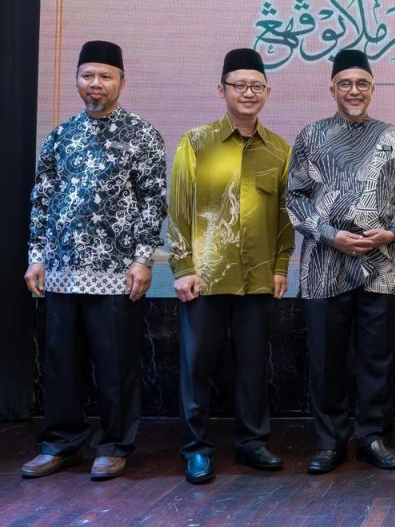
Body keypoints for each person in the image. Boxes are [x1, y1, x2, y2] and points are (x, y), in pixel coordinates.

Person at [22, 40, 167, 480]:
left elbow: (153, 201)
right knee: (61, 363)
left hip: (116, 271)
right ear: (77, 80)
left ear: (122, 81)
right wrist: (36, 257)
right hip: (61, 268)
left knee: (115, 364)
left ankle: (114, 445)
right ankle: (60, 443)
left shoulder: (142, 134)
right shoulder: (61, 135)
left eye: (105, 76)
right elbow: (42, 198)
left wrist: (143, 259)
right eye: (88, 75)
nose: (96, 83)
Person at [287, 49, 395, 475]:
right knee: (326, 360)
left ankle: (372, 437)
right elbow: (294, 197)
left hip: (381, 266)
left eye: (362, 83)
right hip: (324, 265)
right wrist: (330, 235)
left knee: (377, 358)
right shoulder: (311, 136)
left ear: (372, 89)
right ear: (332, 89)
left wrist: (393, 230)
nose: (354, 90)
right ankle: (329, 442)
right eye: (345, 83)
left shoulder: (393, 137)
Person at [168, 48, 293, 484]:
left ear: (268, 92)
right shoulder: (196, 143)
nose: (248, 93)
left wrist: (281, 265)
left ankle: (252, 443)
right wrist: (182, 267)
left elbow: (285, 215)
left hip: (258, 278)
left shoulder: (279, 150)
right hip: (204, 277)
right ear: (221, 90)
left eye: (256, 86)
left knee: (253, 366)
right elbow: (178, 210)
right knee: (196, 366)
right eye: (239, 85)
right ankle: (196, 449)